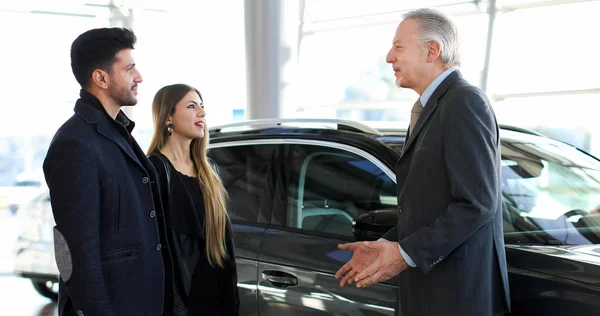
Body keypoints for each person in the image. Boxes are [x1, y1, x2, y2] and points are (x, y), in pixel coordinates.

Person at [335, 8, 510, 316]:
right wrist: (384, 246)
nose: (389, 57)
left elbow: (477, 203)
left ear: (432, 50)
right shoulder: (432, 107)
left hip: (457, 300)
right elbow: (429, 207)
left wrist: (404, 253)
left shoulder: (463, 102)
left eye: (399, 46)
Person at [43, 27, 169, 316]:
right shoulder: (74, 143)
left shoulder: (117, 131)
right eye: (129, 69)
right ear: (101, 77)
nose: (139, 77)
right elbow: (76, 250)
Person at [147, 84, 239, 316]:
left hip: (215, 297)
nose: (202, 113)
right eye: (191, 106)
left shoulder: (210, 172)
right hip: (179, 303)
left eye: (202, 106)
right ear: (168, 116)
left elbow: (224, 245)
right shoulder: (153, 171)